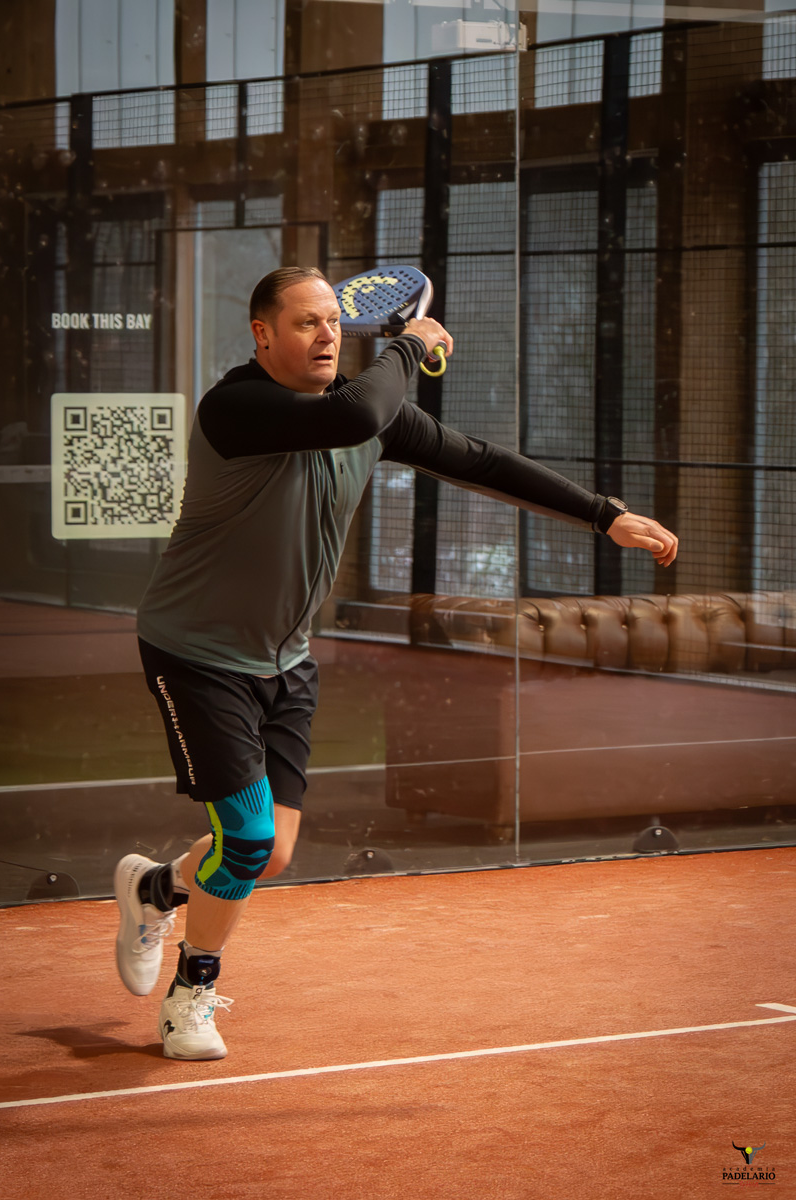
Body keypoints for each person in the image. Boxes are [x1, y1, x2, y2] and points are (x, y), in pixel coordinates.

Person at [115, 265, 678, 1061]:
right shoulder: (235, 406)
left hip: (289, 659)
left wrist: (604, 515)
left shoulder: (363, 413)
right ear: (262, 335)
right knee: (244, 843)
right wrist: (411, 344)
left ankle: (155, 890)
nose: (324, 336)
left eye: (332, 324)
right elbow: (357, 412)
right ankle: (191, 994)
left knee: (269, 852)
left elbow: (478, 460)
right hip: (196, 653)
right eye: (306, 324)